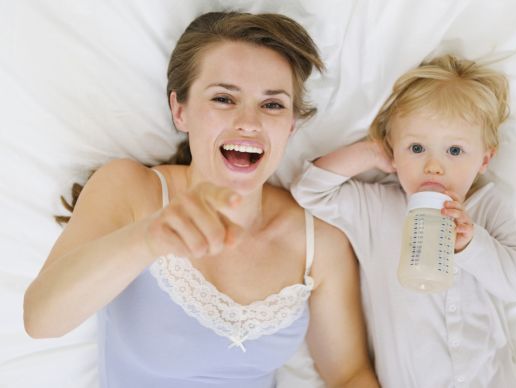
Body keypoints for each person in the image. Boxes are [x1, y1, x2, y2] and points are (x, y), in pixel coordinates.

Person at [23, 12, 379, 388]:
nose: (249, 122)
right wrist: (149, 239)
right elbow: (41, 320)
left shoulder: (318, 241)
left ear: (291, 125)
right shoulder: (131, 188)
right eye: (224, 99)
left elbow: (348, 374)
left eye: (272, 105)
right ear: (180, 111)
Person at [291, 55, 516, 388]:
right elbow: (309, 191)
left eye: (454, 151)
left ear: (484, 159)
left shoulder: (486, 207)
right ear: (394, 152)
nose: (434, 166)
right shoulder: (377, 208)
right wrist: (369, 154)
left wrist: (471, 243)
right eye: (416, 147)